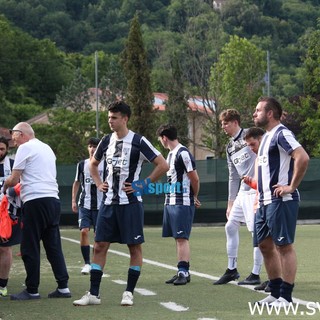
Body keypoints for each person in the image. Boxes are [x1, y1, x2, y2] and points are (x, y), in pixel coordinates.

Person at [73, 101, 169, 307]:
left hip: (131, 204)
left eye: (114, 117)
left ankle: (128, 292)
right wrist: (99, 183)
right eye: (109, 117)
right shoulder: (106, 141)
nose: (110, 121)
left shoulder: (139, 141)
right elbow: (93, 164)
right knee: (99, 246)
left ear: (125, 119)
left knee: (134, 247)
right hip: (108, 204)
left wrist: (143, 183)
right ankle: (94, 294)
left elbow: (163, 164)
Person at [3, 122, 71, 300]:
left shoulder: (25, 148)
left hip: (35, 201)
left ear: (22, 134)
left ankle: (32, 289)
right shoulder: (46, 148)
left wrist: (5, 186)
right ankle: (63, 287)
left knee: (29, 246)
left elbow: (14, 178)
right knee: (53, 245)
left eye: (14, 136)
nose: (13, 140)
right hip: (53, 201)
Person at [252, 97, 309, 307]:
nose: (254, 114)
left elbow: (302, 157)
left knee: (283, 246)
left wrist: (291, 187)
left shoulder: (282, 133)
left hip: (281, 200)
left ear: (270, 113)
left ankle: (286, 296)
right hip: (264, 202)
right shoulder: (266, 137)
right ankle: (274, 293)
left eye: (257, 110)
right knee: (265, 246)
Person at [214, 109, 263, 286]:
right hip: (242, 193)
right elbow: (233, 175)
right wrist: (230, 202)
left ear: (235, 122)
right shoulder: (229, 147)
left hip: (254, 191)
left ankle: (256, 273)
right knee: (230, 226)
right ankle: (232, 269)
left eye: (225, 123)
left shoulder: (251, 136)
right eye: (222, 124)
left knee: (255, 233)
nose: (223, 127)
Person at [156, 125, 201, 286]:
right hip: (170, 202)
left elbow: (194, 178)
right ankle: (182, 270)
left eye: (160, 139)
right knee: (178, 238)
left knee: (182, 238)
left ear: (164, 138)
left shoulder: (183, 153)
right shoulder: (170, 155)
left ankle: (184, 271)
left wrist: (194, 196)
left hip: (182, 202)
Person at [242, 127, 271, 293]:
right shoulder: (258, 158)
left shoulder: (270, 155)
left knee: (275, 245)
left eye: (253, 144)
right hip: (259, 204)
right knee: (263, 245)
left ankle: (277, 280)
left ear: (261, 138)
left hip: (271, 204)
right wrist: (250, 182)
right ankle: (271, 278)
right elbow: (260, 184)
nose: (251, 148)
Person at [72, 137, 105, 275]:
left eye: (95, 146)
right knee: (84, 231)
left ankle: (95, 264)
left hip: (101, 205)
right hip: (84, 204)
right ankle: (86, 263)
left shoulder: (105, 165)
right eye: (90, 146)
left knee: (99, 237)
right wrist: (73, 200)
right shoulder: (81, 165)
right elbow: (77, 182)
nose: (92, 149)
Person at [0, 136, 21, 297]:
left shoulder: (14, 165)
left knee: (5, 248)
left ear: (7, 149)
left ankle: (2, 285)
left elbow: (22, 185)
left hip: (6, 214)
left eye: (2, 149)